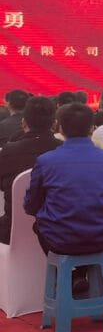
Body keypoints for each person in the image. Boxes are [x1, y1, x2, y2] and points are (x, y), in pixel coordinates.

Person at [24, 103, 103, 296]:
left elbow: (31, 205)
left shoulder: (46, 161)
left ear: (59, 127)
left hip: (60, 239)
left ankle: (69, 276)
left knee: (40, 224)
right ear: (92, 129)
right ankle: (79, 276)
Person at [0, 97, 61, 243]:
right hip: (58, 230)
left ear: (23, 123)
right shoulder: (67, 151)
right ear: (54, 124)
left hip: (11, 230)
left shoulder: (8, 151)